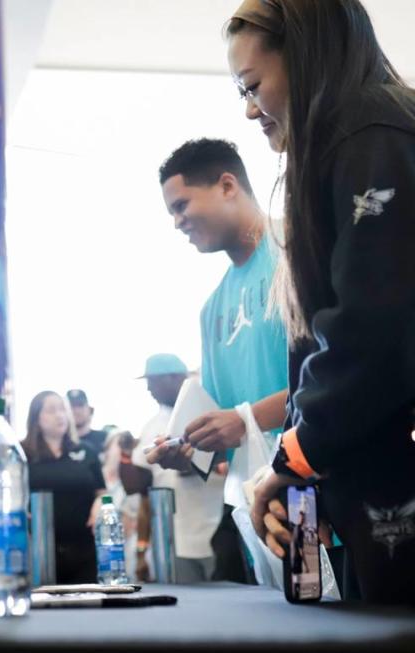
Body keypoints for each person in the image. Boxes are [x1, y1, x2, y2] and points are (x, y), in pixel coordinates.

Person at [226, 0, 415, 604]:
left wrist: (295, 458)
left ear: (306, 56)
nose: (251, 110)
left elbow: (375, 330)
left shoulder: (372, 133)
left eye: (253, 87)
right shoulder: (353, 143)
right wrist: (302, 467)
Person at [150, 138, 290, 583]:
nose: (176, 222)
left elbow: (345, 376)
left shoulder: (301, 255)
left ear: (227, 185)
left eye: (182, 205)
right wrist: (188, 449)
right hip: (259, 518)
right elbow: (224, 431)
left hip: (332, 500)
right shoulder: (211, 310)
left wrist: (246, 418)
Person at [123, 354, 226, 583]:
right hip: (177, 539)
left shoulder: (210, 409)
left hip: (220, 530)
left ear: (175, 378)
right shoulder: (153, 425)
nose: (149, 389)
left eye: (153, 380)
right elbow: (139, 487)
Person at [22, 391, 106, 584]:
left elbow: (102, 493)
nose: (60, 415)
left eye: (62, 409)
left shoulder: (86, 451)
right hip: (37, 550)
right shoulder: (22, 454)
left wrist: (100, 504)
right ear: (36, 418)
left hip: (84, 549)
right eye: (51, 410)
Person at [67, 389, 109, 457]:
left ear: (89, 409)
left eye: (80, 405)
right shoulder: (58, 442)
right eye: (72, 406)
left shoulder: (105, 439)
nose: (76, 411)